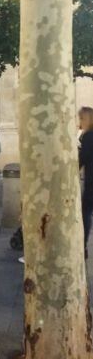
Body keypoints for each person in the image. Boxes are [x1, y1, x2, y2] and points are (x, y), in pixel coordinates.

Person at [79, 106, 93, 259]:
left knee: (86, 213)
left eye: (81, 118)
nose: (80, 122)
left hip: (92, 182)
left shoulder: (88, 136)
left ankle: (83, 246)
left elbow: (82, 158)